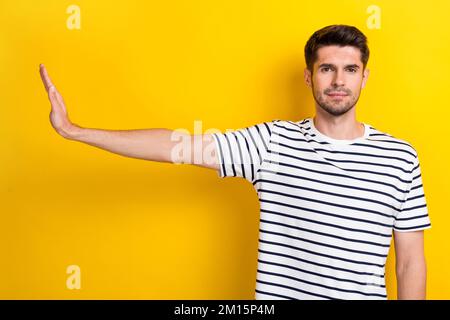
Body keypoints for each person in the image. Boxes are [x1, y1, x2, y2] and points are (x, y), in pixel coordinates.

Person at [39, 24, 431, 300]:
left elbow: (410, 261)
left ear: (364, 77)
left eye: (350, 70)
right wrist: (76, 131)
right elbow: (176, 146)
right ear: (310, 78)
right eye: (327, 69)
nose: (338, 81)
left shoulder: (399, 157)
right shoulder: (272, 143)